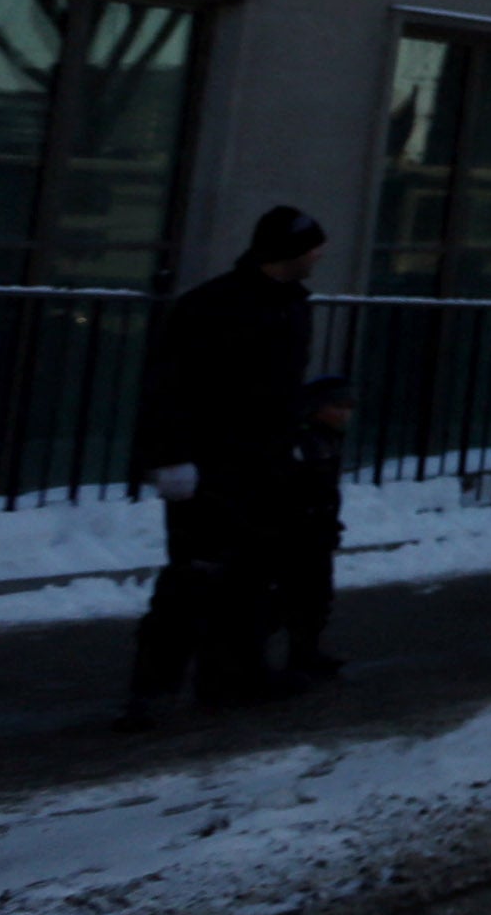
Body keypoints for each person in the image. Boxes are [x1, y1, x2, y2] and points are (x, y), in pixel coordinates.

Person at [119, 205, 325, 726]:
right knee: (195, 575)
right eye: (311, 247)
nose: (319, 256)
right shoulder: (213, 307)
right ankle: (155, 689)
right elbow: (170, 386)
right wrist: (170, 457)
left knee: (253, 573)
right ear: (289, 251)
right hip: (212, 462)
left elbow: (280, 389)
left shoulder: (290, 306)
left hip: (263, 462)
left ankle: (233, 674)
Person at [264, 372, 354, 679]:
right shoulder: (306, 440)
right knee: (291, 594)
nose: (344, 413)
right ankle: (284, 654)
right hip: (299, 529)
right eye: (337, 405)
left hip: (315, 527)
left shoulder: (324, 438)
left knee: (315, 595)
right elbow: (298, 487)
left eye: (348, 406)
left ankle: (304, 651)